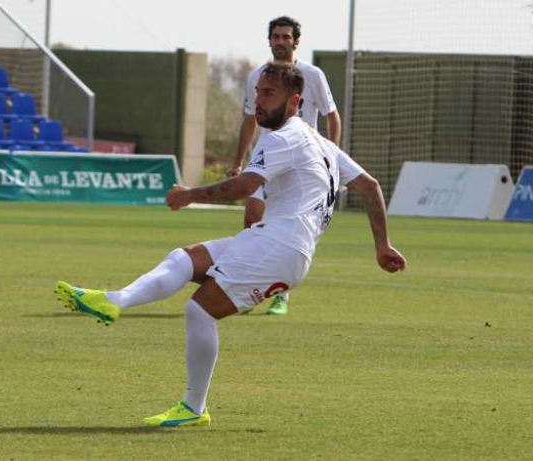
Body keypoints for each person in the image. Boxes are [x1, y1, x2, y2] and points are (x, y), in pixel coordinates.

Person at [55, 62, 406, 428]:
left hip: (282, 247)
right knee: (186, 258)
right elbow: (370, 186)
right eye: (257, 93)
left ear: (294, 102)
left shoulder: (283, 137)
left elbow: (243, 186)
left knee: (200, 311)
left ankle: (193, 407)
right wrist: (382, 246)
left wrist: (191, 194)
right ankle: (114, 300)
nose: (259, 101)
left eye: (269, 94)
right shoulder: (319, 143)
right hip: (272, 240)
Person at [230, 16, 342, 316]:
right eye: (275, 36)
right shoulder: (257, 76)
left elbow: (332, 115)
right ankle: (244, 288)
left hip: (301, 166)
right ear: (269, 40)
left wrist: (331, 155)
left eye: (286, 37)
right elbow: (249, 120)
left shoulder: (312, 75)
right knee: (252, 220)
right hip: (266, 158)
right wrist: (239, 161)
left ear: (296, 41)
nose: (280, 41)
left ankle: (281, 294)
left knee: (292, 229)